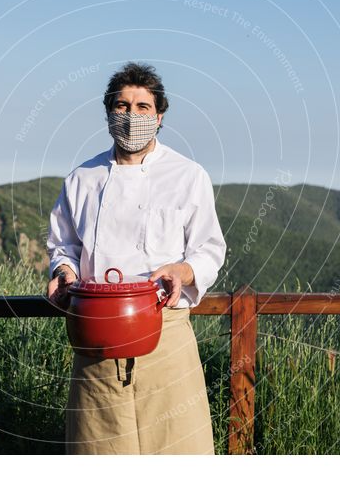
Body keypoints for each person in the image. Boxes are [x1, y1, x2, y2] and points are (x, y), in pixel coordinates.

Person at [46, 62, 226, 454]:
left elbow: (210, 248)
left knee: (178, 454)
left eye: (143, 107)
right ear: (109, 113)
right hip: (95, 335)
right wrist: (63, 270)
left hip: (165, 331)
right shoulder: (82, 179)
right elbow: (64, 245)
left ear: (160, 116)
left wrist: (182, 270)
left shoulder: (187, 175)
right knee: (100, 454)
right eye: (123, 106)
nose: (132, 116)